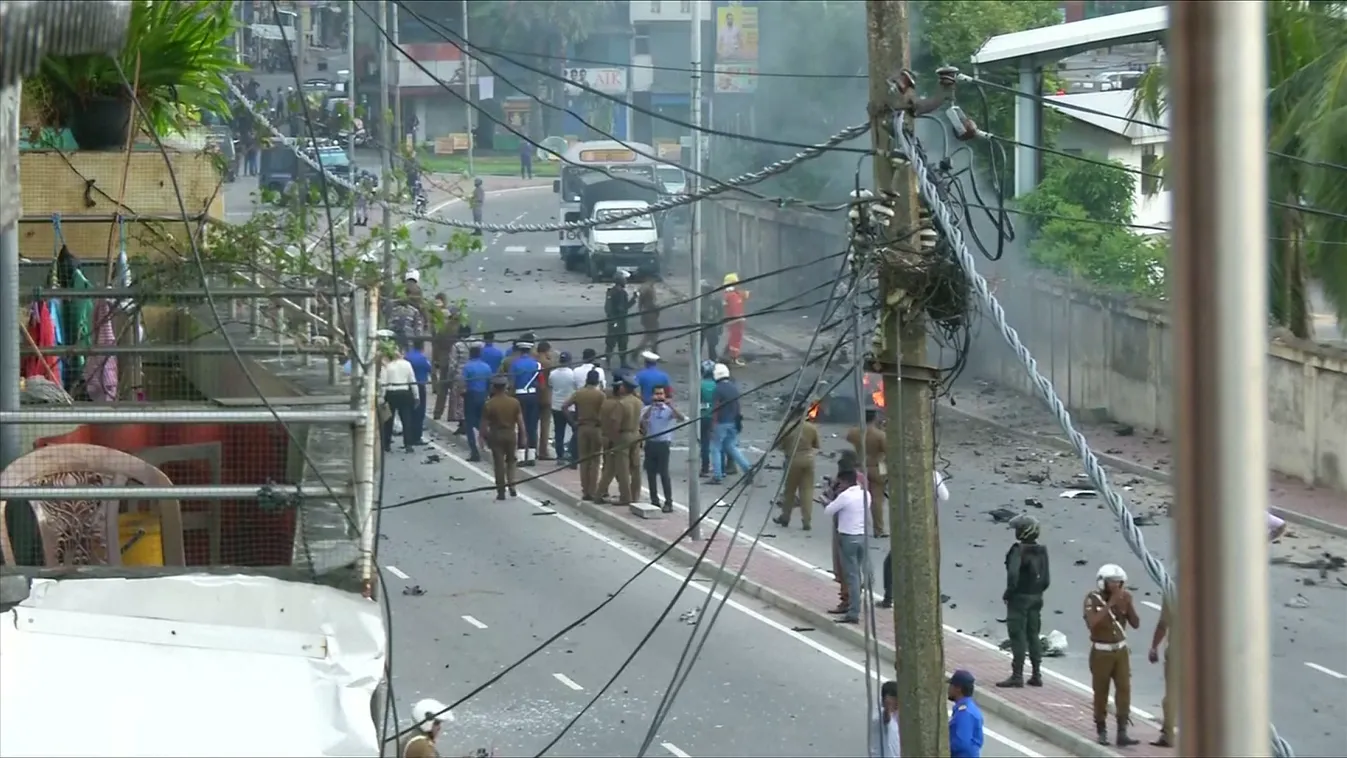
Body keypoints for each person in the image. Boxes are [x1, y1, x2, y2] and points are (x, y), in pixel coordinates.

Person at [1085, 563, 1141, 746]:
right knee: (1101, 691)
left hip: (1120, 651)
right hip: (1101, 652)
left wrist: (1128, 604)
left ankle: (1122, 731)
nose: (1116, 586)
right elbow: (1093, 623)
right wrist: (1110, 603)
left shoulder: (1124, 598)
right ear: (1103, 583)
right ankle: (1101, 730)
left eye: (1119, 582)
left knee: (1124, 689)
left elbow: (1136, 623)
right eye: (1112, 582)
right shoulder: (1092, 599)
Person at [878, 470, 950, 609]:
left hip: (905, 523)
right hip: (926, 524)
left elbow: (888, 492)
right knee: (925, 561)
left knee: (892, 562)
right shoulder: (933, 475)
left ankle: (889, 597)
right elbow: (945, 496)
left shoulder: (900, 472)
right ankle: (931, 595)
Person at [997, 514, 1050, 688]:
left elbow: (1013, 575)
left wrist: (1008, 593)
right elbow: (1046, 580)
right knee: (1033, 635)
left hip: (1019, 598)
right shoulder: (1042, 551)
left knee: (1017, 635)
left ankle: (1017, 675)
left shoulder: (1018, 550)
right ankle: (1036, 674)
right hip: (1036, 597)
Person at [823, 467, 870, 625]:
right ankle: (855, 604)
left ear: (844, 482)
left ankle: (853, 611)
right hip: (862, 536)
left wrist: (828, 499)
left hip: (848, 537)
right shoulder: (866, 494)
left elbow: (829, 511)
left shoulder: (845, 496)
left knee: (851, 576)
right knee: (858, 573)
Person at [771, 404, 820, 530]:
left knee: (790, 491)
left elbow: (779, 446)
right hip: (808, 460)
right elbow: (816, 445)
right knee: (807, 491)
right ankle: (806, 521)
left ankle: (785, 517)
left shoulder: (788, 428)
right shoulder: (811, 427)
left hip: (792, 460)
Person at [846, 409, 888, 537]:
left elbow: (848, 445)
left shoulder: (853, 433)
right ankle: (878, 529)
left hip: (859, 468)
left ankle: (855, 527)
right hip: (876, 467)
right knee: (877, 500)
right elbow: (888, 452)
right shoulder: (880, 435)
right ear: (874, 418)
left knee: (857, 498)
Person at [641, 385, 683, 512]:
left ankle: (668, 502)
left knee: (664, 474)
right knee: (651, 474)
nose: (658, 396)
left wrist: (670, 406)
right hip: (650, 443)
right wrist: (652, 407)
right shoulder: (648, 409)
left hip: (663, 444)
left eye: (661, 394)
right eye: (656, 394)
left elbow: (681, 418)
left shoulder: (668, 410)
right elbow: (642, 420)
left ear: (665, 395)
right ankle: (654, 500)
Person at [565, 369, 606, 499]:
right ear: (597, 381)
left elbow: (564, 407)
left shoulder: (579, 393)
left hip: (582, 427)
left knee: (583, 460)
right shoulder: (600, 395)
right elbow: (605, 411)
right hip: (596, 428)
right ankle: (592, 490)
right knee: (595, 460)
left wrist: (573, 423)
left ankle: (585, 491)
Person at [708, 363, 752, 484]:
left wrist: (712, 425)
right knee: (731, 447)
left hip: (721, 422)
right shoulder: (733, 387)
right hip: (733, 422)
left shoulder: (717, 389)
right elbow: (737, 406)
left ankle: (717, 475)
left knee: (715, 449)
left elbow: (716, 408)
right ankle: (747, 468)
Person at [596, 379, 637, 505]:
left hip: (622, 436)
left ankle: (625, 497)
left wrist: (613, 439)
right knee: (635, 467)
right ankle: (635, 495)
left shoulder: (621, 404)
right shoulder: (638, 401)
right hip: (636, 434)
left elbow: (615, 423)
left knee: (621, 468)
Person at [482, 376, 523, 499]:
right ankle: (512, 485)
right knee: (511, 461)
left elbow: (484, 425)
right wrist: (523, 436)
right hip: (510, 434)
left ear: (494, 388)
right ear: (506, 387)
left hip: (496, 435)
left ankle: (501, 491)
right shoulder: (514, 402)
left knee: (499, 464)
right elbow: (520, 422)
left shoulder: (489, 404)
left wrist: (483, 438)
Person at [507, 338, 543, 467]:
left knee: (520, 426)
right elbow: (541, 384)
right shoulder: (537, 365)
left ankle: (521, 456)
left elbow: (511, 384)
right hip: (533, 395)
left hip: (519, 396)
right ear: (530, 349)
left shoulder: (515, 364)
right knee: (532, 426)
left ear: (519, 350)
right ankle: (532, 456)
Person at [379, 341, 418, 454]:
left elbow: (383, 382)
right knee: (406, 419)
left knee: (388, 420)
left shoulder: (387, 366)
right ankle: (408, 444)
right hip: (404, 392)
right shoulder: (407, 364)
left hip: (391, 393)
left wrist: (382, 397)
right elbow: (412, 381)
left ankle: (386, 444)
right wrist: (416, 396)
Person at [1148, 597, 1175, 748]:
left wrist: (1154, 647)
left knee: (1171, 697)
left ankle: (1168, 735)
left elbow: (1163, 624)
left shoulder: (1172, 592)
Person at [436, 323, 472, 427]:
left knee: (455, 396)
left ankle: (453, 416)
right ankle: (464, 417)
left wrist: (449, 376)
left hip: (458, 373)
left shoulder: (456, 345)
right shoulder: (476, 343)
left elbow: (452, 363)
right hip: (471, 374)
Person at [460, 344, 492, 462]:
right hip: (483, 395)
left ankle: (474, 452)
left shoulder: (467, 367)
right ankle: (488, 438)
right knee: (481, 420)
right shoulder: (486, 366)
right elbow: (489, 383)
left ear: (470, 354)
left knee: (469, 423)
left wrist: (461, 393)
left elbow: (463, 383)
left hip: (471, 395)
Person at [549, 351, 578, 467]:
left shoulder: (553, 374)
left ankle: (559, 456)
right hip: (570, 407)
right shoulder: (572, 374)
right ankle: (572, 454)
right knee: (575, 430)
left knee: (559, 432)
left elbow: (551, 385)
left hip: (556, 406)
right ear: (569, 361)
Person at [948, 670, 985, 758]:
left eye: (951, 685)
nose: (948, 688)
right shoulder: (969, 707)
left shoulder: (964, 713)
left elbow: (961, 743)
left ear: (958, 688)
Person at [404, 339, 433, 445]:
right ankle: (417, 437)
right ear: (422, 347)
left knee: (408, 413)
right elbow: (430, 369)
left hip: (408, 387)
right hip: (420, 386)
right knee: (419, 413)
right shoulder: (422, 358)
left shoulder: (407, 357)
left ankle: (408, 437)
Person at [604, 271, 634, 368]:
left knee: (619, 343)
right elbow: (620, 308)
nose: (626, 281)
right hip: (617, 322)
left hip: (618, 322)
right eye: (624, 279)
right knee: (615, 342)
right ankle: (611, 362)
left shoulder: (617, 292)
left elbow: (623, 307)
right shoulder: (617, 293)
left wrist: (634, 299)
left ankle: (619, 362)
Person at [534, 340, 557, 460]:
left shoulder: (533, 361)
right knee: (545, 426)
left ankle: (531, 448)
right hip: (546, 396)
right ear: (546, 351)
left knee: (532, 424)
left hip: (534, 395)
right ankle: (543, 451)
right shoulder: (548, 364)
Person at [721, 273, 749, 366]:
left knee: (733, 339)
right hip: (736, 321)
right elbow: (735, 309)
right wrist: (739, 318)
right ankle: (733, 358)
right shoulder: (732, 296)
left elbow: (741, 295)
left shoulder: (730, 294)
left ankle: (727, 355)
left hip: (734, 321)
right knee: (735, 339)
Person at [870, 680, 900, 758]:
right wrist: (888, 708)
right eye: (895, 701)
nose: (897, 704)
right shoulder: (879, 716)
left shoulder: (895, 713)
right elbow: (886, 719)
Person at [697, 360, 717, 476]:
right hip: (714, 416)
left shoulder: (700, 385)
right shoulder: (716, 385)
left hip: (702, 416)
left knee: (704, 442)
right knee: (715, 442)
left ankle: (705, 467)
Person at [636, 279, 660, 356]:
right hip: (650, 314)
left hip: (646, 314)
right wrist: (658, 309)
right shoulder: (649, 290)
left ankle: (654, 352)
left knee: (651, 336)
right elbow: (652, 304)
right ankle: (636, 352)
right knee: (650, 336)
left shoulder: (643, 288)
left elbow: (640, 303)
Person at [701, 280, 723, 362]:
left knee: (712, 344)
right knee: (698, 344)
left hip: (712, 324)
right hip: (700, 325)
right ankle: (697, 359)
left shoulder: (716, 300)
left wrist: (720, 325)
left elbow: (721, 313)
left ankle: (713, 359)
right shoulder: (699, 300)